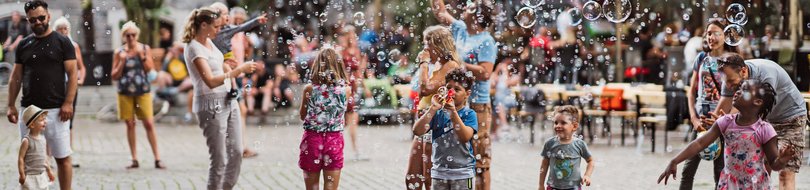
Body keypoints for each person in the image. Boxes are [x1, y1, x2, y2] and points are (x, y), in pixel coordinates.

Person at [659, 80, 796, 189]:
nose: (737, 92)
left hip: (755, 185)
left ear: (757, 102)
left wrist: (782, 160)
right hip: (729, 184)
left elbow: (774, 164)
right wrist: (674, 161)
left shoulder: (765, 130)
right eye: (739, 88)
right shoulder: (725, 122)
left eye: (744, 90)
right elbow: (700, 143)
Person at [182, 7, 257, 189]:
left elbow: (217, 63)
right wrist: (239, 71)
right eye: (215, 26)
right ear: (204, 25)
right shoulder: (193, 47)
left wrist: (226, 65)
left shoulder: (209, 41)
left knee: (237, 152)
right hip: (210, 104)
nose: (219, 30)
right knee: (219, 159)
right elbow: (209, 81)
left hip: (228, 99)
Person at [709, 53, 807, 190]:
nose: (729, 86)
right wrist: (712, 124)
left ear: (743, 71)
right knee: (762, 170)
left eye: (731, 81)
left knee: (785, 172)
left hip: (791, 118)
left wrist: (727, 120)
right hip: (767, 121)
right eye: (726, 82)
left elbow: (755, 109)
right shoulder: (730, 75)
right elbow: (722, 109)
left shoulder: (766, 75)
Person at [6, 1, 77, 189]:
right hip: (29, 111)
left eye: (41, 18)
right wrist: (11, 105)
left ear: (48, 16)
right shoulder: (24, 44)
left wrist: (68, 102)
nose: (37, 22)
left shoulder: (63, 42)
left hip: (57, 110)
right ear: (28, 20)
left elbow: (73, 74)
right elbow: (16, 77)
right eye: (32, 20)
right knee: (31, 160)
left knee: (62, 158)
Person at [432, 0, 497, 188]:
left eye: (470, 7)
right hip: (455, 102)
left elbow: (485, 73)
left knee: (479, 158)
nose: (465, 8)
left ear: (478, 15)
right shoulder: (460, 29)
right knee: (459, 152)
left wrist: (461, 64)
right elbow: (440, 13)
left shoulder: (486, 41)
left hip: (477, 105)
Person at [406, 25, 463, 190]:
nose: (424, 49)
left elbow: (425, 89)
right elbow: (420, 91)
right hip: (425, 122)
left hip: (437, 126)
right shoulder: (437, 64)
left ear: (439, 46)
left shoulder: (451, 65)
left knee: (429, 179)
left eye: (427, 45)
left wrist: (423, 63)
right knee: (412, 178)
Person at [681, 18, 736, 190]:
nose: (711, 37)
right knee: (688, 170)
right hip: (701, 122)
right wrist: (693, 118)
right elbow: (691, 91)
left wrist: (726, 119)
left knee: (720, 172)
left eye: (716, 33)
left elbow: (738, 94)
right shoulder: (702, 58)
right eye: (709, 33)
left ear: (725, 36)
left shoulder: (732, 61)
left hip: (722, 122)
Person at [210, 2, 268, 159]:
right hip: (226, 76)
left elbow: (242, 55)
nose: (238, 20)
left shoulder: (238, 35)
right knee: (233, 112)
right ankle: (236, 148)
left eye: (241, 18)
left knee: (239, 111)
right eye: (236, 17)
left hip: (237, 76)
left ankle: (239, 147)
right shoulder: (217, 34)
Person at [111, 21, 164, 169]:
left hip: (143, 90)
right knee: (130, 124)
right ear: (123, 36)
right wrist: (122, 62)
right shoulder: (119, 52)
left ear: (137, 35)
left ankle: (157, 158)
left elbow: (151, 71)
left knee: (149, 123)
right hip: (125, 92)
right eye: (128, 35)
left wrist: (142, 56)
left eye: (133, 35)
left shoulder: (145, 49)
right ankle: (134, 158)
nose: (131, 38)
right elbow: (114, 76)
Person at [412, 69, 478, 190]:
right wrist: (433, 108)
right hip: (439, 174)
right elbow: (417, 131)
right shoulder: (437, 113)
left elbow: (465, 136)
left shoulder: (469, 114)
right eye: (448, 88)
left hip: (464, 174)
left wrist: (453, 112)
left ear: (467, 94)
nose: (451, 93)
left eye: (457, 89)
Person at [298, 47, 350, 190]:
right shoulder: (346, 90)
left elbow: (302, 115)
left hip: (312, 139)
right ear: (338, 66)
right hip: (334, 140)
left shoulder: (309, 89)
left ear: (317, 65)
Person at [53, 16, 86, 169]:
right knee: (53, 119)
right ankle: (49, 156)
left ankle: (68, 154)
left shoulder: (74, 46)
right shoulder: (53, 46)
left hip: (70, 85)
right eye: (60, 29)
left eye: (65, 28)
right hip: (56, 85)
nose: (63, 31)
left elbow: (81, 67)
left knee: (69, 120)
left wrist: (81, 79)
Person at [538, 106, 595, 190]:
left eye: (563, 123)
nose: (558, 125)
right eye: (556, 122)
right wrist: (541, 185)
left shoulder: (579, 144)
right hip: (553, 187)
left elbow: (590, 161)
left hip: (574, 187)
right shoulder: (550, 143)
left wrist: (587, 175)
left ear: (574, 126)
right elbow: (544, 164)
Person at [338, 25, 369, 161]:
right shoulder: (340, 51)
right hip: (344, 88)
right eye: (349, 34)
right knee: (347, 120)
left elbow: (360, 73)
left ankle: (352, 150)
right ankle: (353, 150)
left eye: (353, 34)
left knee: (349, 120)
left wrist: (365, 87)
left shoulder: (357, 51)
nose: (352, 37)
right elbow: (339, 70)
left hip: (353, 88)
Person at [18, 105, 55, 190]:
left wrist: (49, 170)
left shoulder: (43, 139)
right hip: (30, 176)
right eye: (41, 120)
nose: (45, 122)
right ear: (32, 125)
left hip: (42, 175)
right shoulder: (26, 140)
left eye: (44, 119)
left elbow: (44, 157)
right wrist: (22, 174)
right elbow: (21, 158)